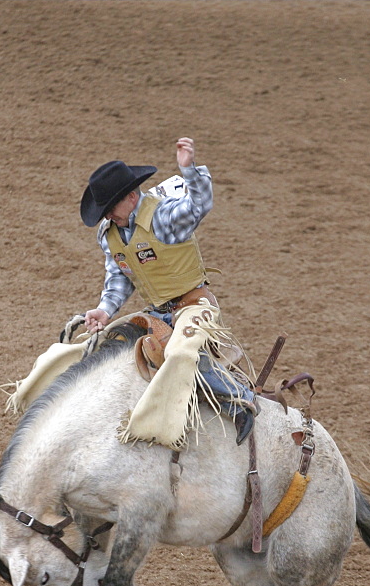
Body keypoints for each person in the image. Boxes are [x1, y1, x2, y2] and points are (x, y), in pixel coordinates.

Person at [80, 137, 256, 444]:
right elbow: (120, 277)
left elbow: (199, 205)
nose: (107, 215)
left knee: (180, 352)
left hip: (194, 305)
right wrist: (105, 310)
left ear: (131, 196)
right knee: (113, 346)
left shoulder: (163, 218)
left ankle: (240, 400)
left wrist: (190, 170)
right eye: (104, 210)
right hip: (157, 312)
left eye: (110, 208)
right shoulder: (109, 235)